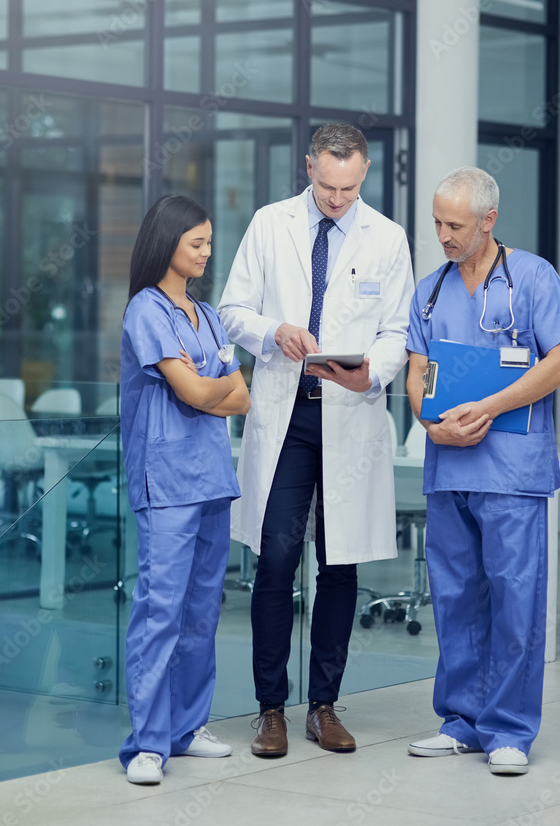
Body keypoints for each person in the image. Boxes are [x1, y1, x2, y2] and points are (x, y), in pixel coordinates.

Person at [218, 123, 414, 757]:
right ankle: (270, 708)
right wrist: (275, 331)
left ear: (364, 174)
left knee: (341, 562)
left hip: (350, 412)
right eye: (328, 186)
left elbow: (397, 328)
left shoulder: (386, 237)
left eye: (350, 187)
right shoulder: (270, 224)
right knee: (276, 558)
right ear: (309, 167)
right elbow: (231, 310)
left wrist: (373, 371)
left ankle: (324, 705)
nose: (337, 198)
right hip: (287, 415)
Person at [406, 167, 560, 776]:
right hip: (449, 466)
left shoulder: (532, 278)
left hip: (511, 471)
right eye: (437, 222)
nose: (443, 236)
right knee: (455, 598)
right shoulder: (430, 289)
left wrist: (490, 405)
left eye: (454, 225)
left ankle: (508, 729)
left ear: (489, 221)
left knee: (514, 599)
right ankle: (462, 721)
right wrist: (428, 423)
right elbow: (418, 370)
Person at [118, 195, 250, 785]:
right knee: (160, 610)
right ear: (167, 243)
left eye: (208, 241)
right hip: (166, 481)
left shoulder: (208, 315)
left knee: (200, 612)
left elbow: (240, 397)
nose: (206, 251)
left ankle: (187, 727)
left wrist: (206, 385)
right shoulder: (146, 312)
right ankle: (148, 743)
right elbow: (199, 396)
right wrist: (209, 385)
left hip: (211, 480)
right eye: (196, 242)